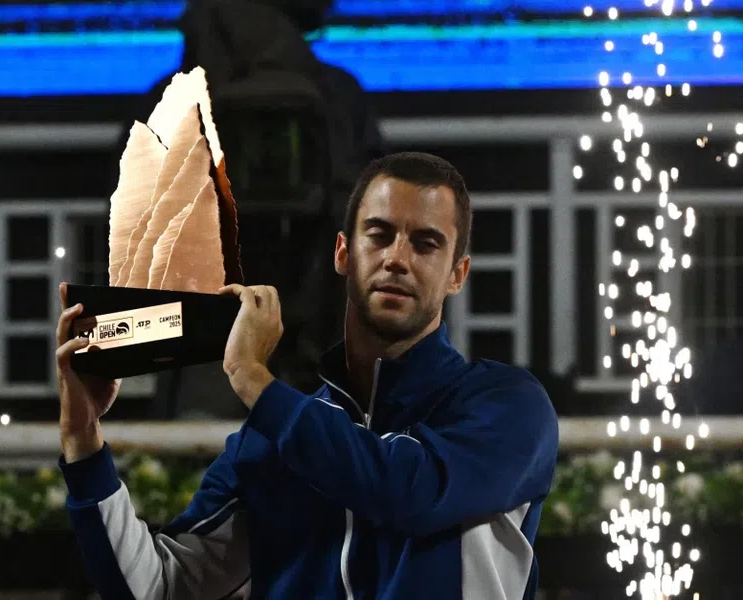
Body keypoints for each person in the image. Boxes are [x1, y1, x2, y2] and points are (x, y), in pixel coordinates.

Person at [56, 152, 559, 599]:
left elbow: (408, 492)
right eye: (379, 235)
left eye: (426, 244)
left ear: (457, 274)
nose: (397, 259)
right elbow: (161, 587)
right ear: (344, 252)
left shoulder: (507, 405)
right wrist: (83, 442)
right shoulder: (270, 436)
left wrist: (251, 376)